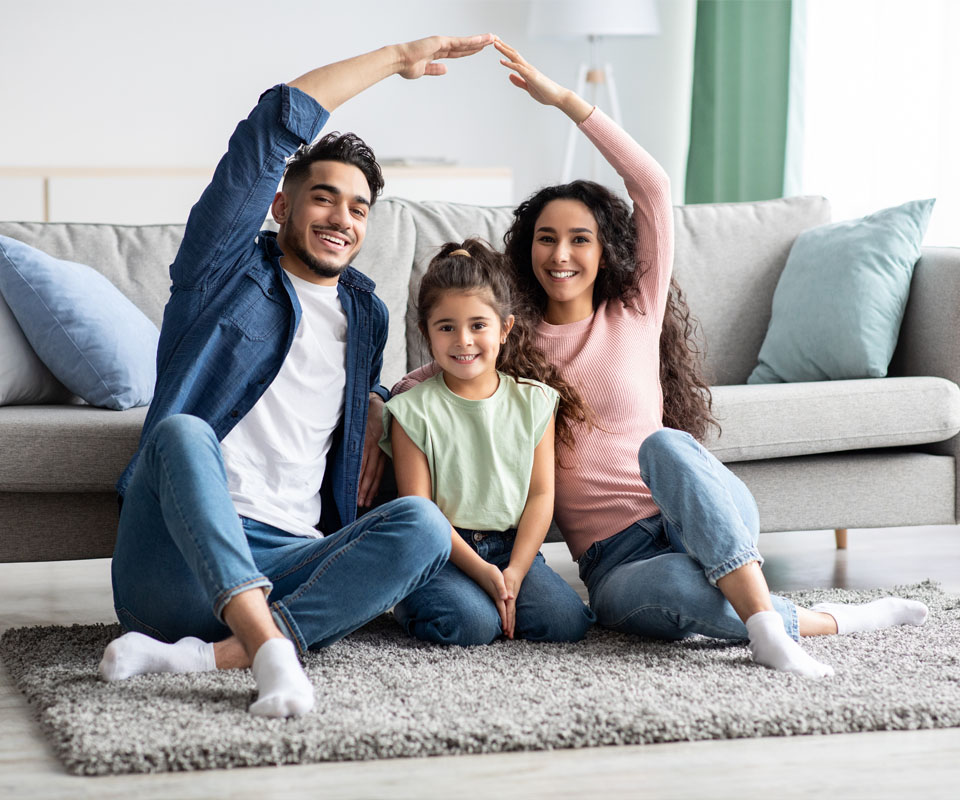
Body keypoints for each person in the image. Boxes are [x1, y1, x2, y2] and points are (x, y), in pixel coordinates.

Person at [397, 39, 929, 678]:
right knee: (683, 595)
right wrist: (379, 406)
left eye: (578, 238)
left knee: (665, 447)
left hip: (694, 510)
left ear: (605, 249)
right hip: (617, 564)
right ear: (526, 251)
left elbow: (651, 184)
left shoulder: (636, 310)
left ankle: (765, 626)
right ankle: (826, 621)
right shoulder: (512, 340)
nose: (560, 253)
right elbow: (436, 371)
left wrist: (564, 101)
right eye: (545, 238)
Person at [97, 34, 496, 718]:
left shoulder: (364, 312)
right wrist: (399, 59)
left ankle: (214, 655)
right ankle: (275, 655)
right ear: (281, 204)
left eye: (359, 208)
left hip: (290, 557)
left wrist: (375, 403)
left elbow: (343, 400)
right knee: (183, 434)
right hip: (179, 559)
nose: (341, 219)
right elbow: (273, 122)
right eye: (324, 198)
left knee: (441, 562)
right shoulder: (220, 272)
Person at [381, 240, 595, 645]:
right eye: (446, 327)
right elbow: (421, 512)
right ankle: (412, 599)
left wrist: (513, 572)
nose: (463, 340)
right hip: (441, 551)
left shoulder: (535, 401)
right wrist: (482, 573)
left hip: (512, 547)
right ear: (426, 331)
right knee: (471, 625)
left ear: (505, 328)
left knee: (568, 623)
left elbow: (540, 495)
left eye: (478, 325)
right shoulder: (410, 410)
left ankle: (496, 595)